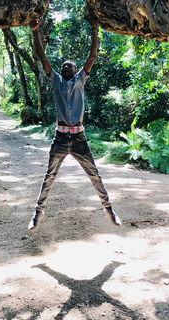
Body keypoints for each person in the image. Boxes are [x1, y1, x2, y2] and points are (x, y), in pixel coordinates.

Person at [27, 16, 121, 231]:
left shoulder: (80, 80)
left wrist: (95, 29)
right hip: (60, 137)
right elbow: (42, 57)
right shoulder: (56, 80)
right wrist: (35, 32)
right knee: (49, 176)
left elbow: (93, 55)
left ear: (77, 69)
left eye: (70, 65)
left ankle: (108, 209)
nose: (65, 66)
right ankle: (38, 213)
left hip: (79, 138)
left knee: (94, 174)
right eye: (63, 65)